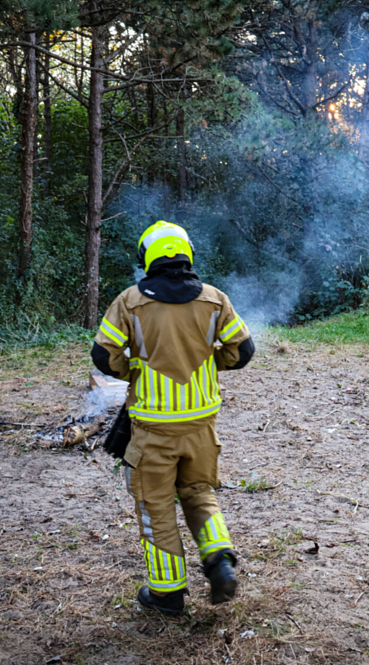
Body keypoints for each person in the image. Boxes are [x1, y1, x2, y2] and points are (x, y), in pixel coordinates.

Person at [91, 221, 255, 616]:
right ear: (186, 254)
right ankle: (220, 560)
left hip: (153, 431)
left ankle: (167, 594)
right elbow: (242, 351)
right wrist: (206, 360)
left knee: (156, 506)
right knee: (199, 493)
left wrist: (135, 370)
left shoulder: (129, 301)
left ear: (147, 257)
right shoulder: (215, 300)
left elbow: (103, 356)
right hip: (201, 428)